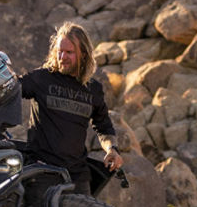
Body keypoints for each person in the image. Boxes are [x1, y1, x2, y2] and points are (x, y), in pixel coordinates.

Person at [17, 22, 122, 196]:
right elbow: (11, 91)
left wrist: (112, 149)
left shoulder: (93, 89)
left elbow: (104, 126)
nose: (62, 57)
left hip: (78, 177)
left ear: (84, 54)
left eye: (69, 52)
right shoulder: (41, 79)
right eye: (59, 51)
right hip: (41, 173)